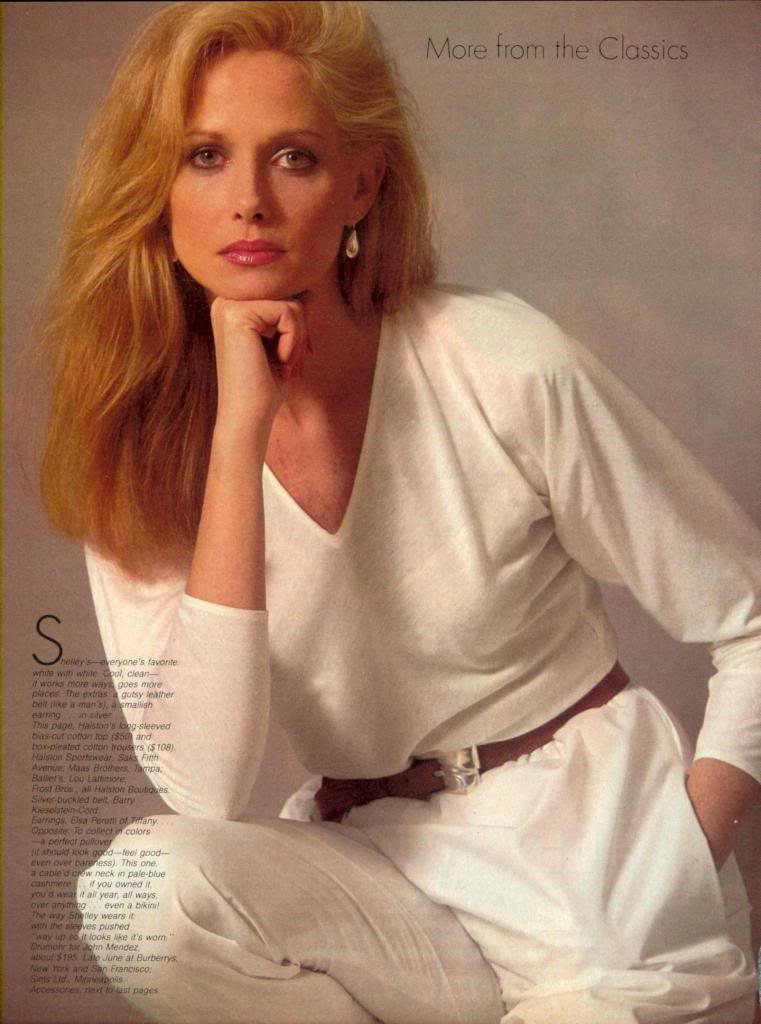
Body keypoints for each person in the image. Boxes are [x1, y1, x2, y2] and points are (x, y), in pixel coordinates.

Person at [38, 2, 760, 1022]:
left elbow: (751, 621)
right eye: (204, 156)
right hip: (384, 880)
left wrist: (683, 854)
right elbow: (203, 787)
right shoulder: (140, 451)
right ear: (155, 185)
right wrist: (237, 436)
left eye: (292, 157)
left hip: (600, 877)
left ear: (361, 183)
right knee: (143, 898)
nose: (247, 202)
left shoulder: (498, 361)